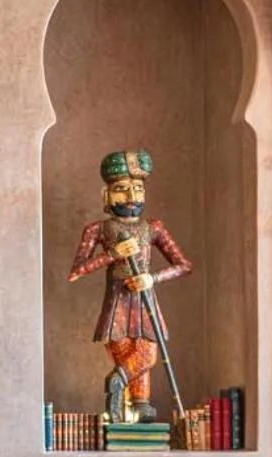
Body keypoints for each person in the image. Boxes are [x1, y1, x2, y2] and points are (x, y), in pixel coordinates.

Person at [66, 149, 192, 422]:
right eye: (122, 190)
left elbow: (184, 265)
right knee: (133, 357)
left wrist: (152, 278)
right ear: (106, 195)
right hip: (117, 305)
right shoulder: (98, 230)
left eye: (137, 189)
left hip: (146, 301)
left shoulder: (153, 227)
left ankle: (125, 389)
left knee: (146, 354)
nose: (132, 197)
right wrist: (113, 254)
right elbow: (76, 271)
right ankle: (137, 403)